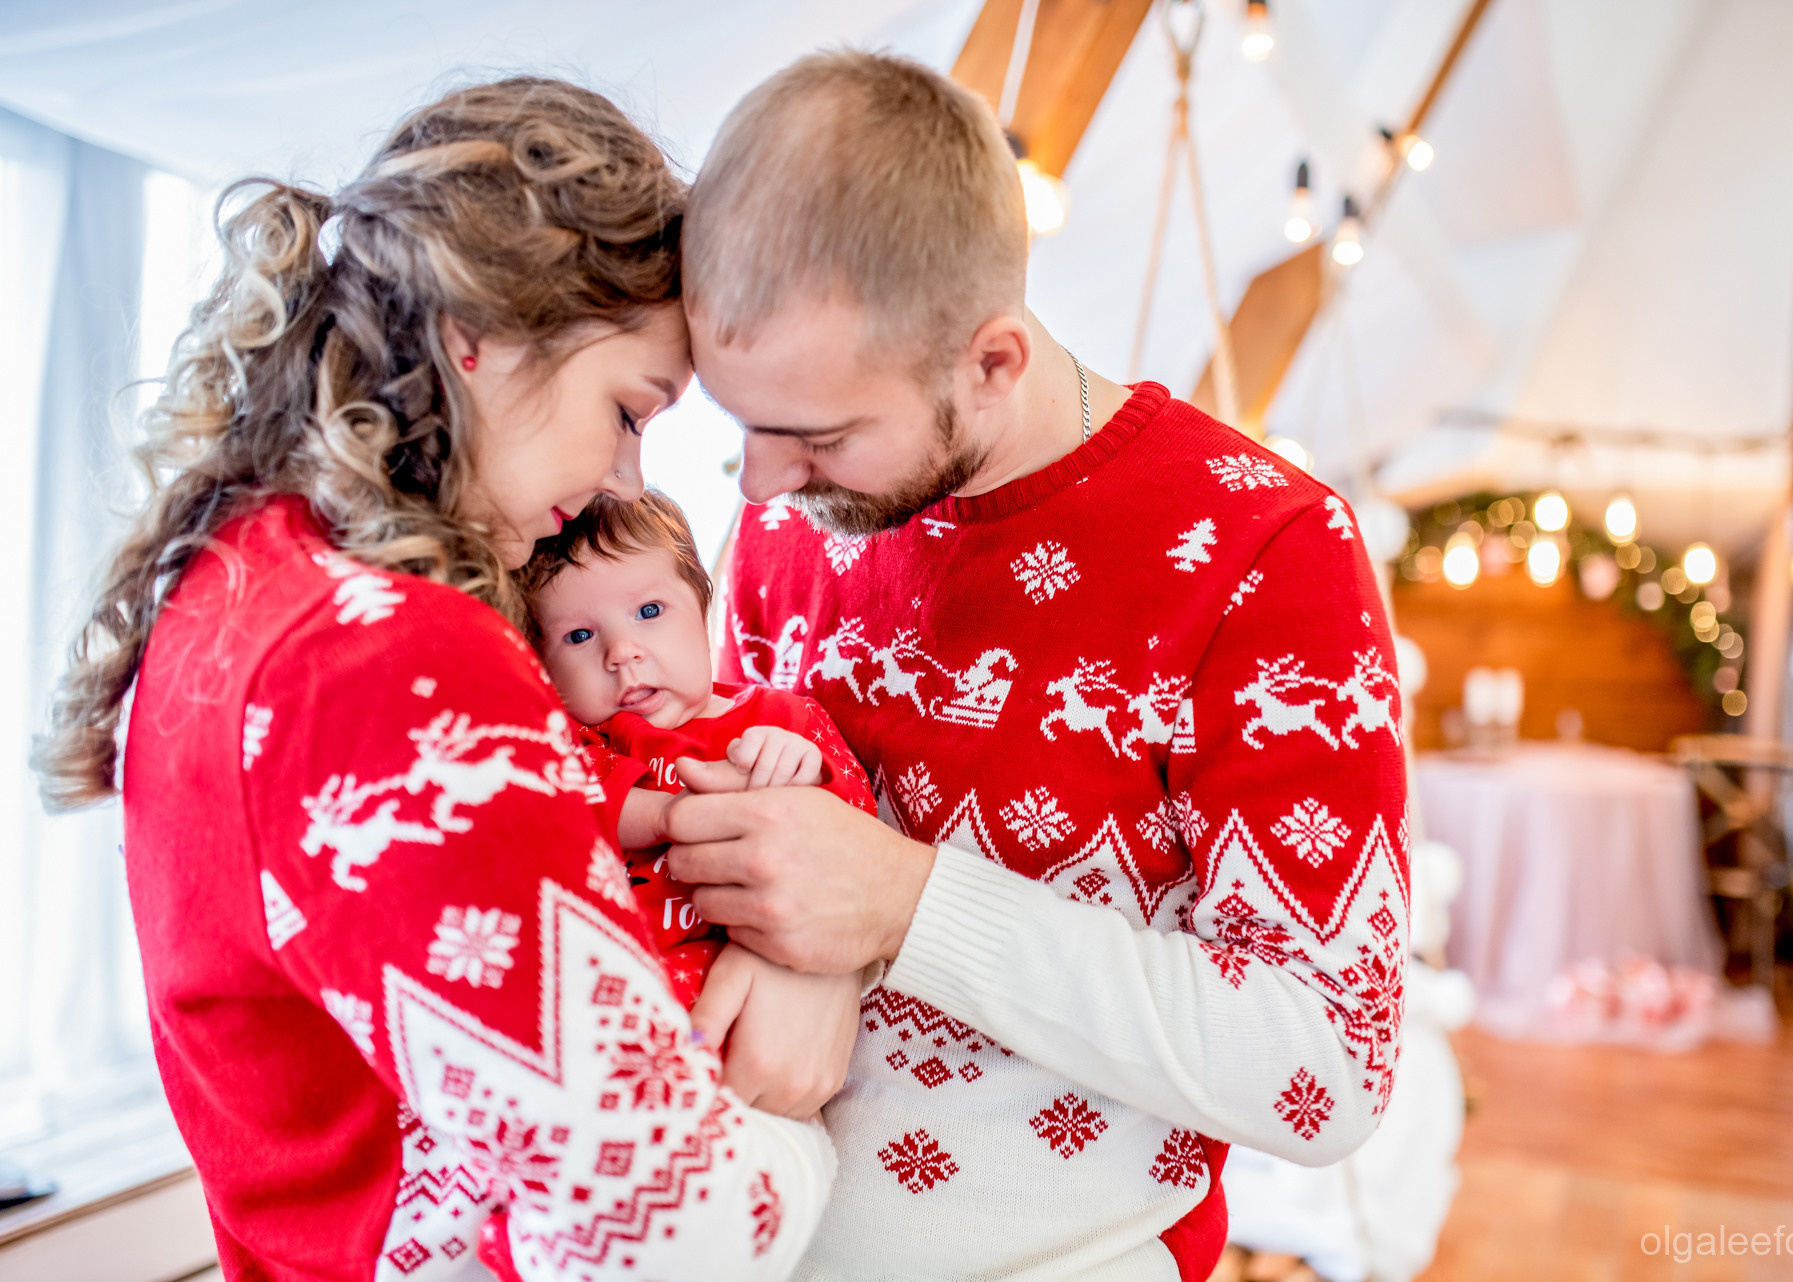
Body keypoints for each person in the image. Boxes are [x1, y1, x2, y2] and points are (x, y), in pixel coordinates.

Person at [35, 78, 849, 1280]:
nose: (628, 477)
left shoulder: (239, 590)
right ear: (492, 337)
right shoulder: (388, 660)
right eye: (629, 410)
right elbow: (680, 1231)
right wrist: (797, 1099)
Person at [666, 51, 1412, 1281]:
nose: (760, 487)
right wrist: (783, 946)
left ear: (992, 360)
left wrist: (907, 908)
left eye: (822, 435)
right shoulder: (795, 515)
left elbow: (1322, 1066)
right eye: (742, 425)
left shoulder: (1265, 554)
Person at [515, 489, 878, 1008]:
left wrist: (804, 776)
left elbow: (858, 847)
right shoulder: (574, 739)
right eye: (577, 636)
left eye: (648, 609)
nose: (622, 652)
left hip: (743, 988)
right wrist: (671, 814)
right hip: (598, 991)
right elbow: (567, 807)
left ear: (705, 610)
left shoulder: (781, 721)